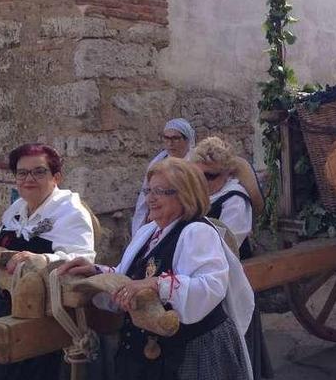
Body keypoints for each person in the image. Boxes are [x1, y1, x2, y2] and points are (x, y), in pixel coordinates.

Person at [61, 157, 254, 379]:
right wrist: (96, 272)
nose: (150, 199)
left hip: (191, 351)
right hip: (147, 352)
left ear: (185, 194)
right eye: (148, 191)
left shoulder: (197, 232)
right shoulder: (149, 231)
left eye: (160, 192)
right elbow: (129, 277)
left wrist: (156, 284)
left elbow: (210, 288)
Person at [0, 143, 96, 380]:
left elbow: (82, 261)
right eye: (22, 172)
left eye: (39, 172)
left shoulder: (70, 212)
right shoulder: (17, 209)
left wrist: (41, 259)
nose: (29, 178)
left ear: (56, 176)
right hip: (4, 307)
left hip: (43, 316)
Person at [191, 137, 274, 380]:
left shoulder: (235, 199)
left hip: (230, 277)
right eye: (199, 176)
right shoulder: (201, 196)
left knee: (236, 337)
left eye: (211, 176)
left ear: (226, 174)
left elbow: (229, 242)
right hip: (205, 271)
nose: (204, 182)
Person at [133, 118, 197, 235]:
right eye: (166, 138)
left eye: (175, 138)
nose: (170, 143)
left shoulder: (195, 165)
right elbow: (144, 197)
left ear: (187, 140)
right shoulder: (157, 163)